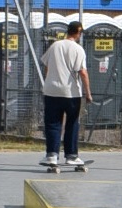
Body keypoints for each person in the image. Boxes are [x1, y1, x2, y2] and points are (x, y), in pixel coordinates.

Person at [38, 20, 90, 170]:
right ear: (78, 32)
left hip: (52, 91)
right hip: (71, 92)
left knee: (53, 123)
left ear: (68, 30)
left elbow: (47, 67)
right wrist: (88, 93)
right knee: (72, 123)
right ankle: (71, 155)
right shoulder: (78, 49)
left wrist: (50, 80)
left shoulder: (55, 46)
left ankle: (51, 155)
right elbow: (83, 72)